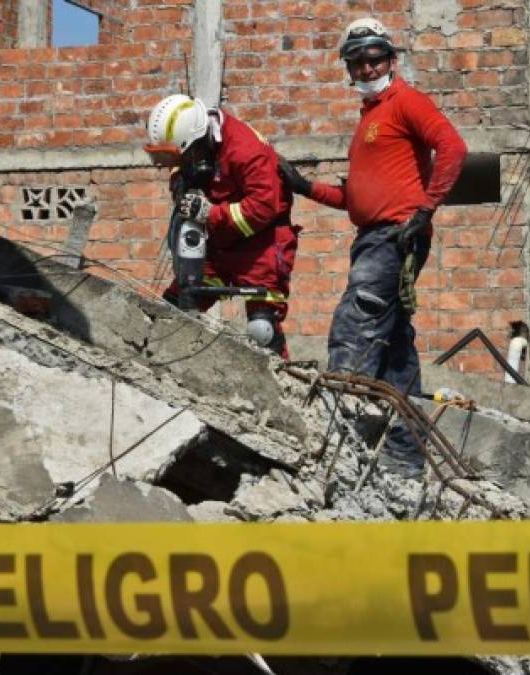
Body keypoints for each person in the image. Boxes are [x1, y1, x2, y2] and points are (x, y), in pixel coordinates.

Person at [280, 18, 467, 477]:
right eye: (357, 61)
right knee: (395, 359)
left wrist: (425, 211)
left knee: (356, 327)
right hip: (374, 236)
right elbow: (357, 199)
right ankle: (406, 460)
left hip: (394, 237)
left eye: (374, 58)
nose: (366, 68)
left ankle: (336, 446)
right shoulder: (370, 117)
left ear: (391, 58)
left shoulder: (405, 102)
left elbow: (454, 147)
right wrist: (305, 186)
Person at [146, 94, 299, 358]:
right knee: (178, 306)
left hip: (261, 242)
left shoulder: (245, 150)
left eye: (177, 158)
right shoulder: (195, 148)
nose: (173, 165)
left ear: (194, 142)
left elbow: (263, 207)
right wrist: (181, 189)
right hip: (218, 240)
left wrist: (210, 213)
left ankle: (283, 387)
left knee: (262, 328)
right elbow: (181, 168)